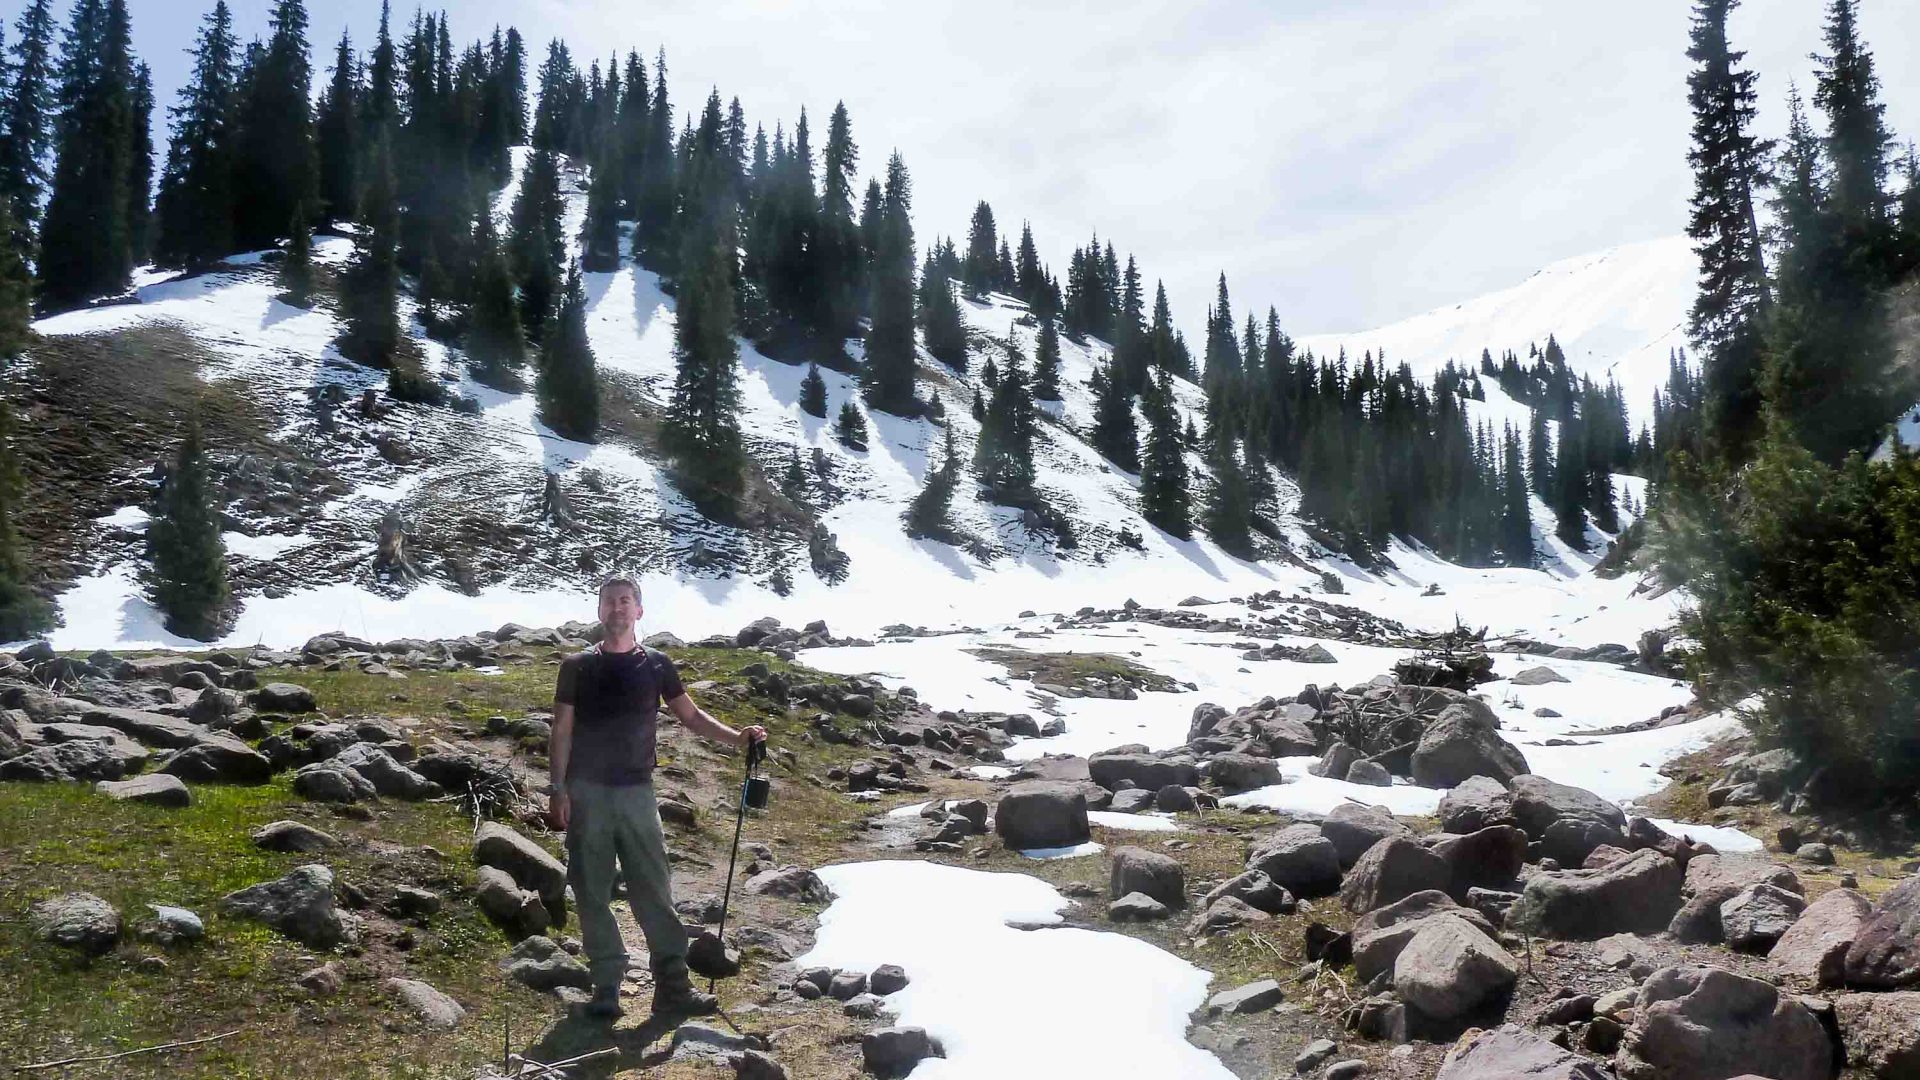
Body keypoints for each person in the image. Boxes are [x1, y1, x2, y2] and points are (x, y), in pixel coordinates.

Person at [549, 576, 767, 1020]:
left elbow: (690, 715)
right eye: (610, 601)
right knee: (591, 890)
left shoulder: (656, 664)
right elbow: (562, 730)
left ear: (639, 612)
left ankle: (672, 983)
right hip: (586, 793)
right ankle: (606, 985)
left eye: (626, 601)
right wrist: (557, 790)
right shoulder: (577, 666)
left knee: (654, 888)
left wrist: (736, 739)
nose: (617, 609)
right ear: (599, 611)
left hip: (637, 793)